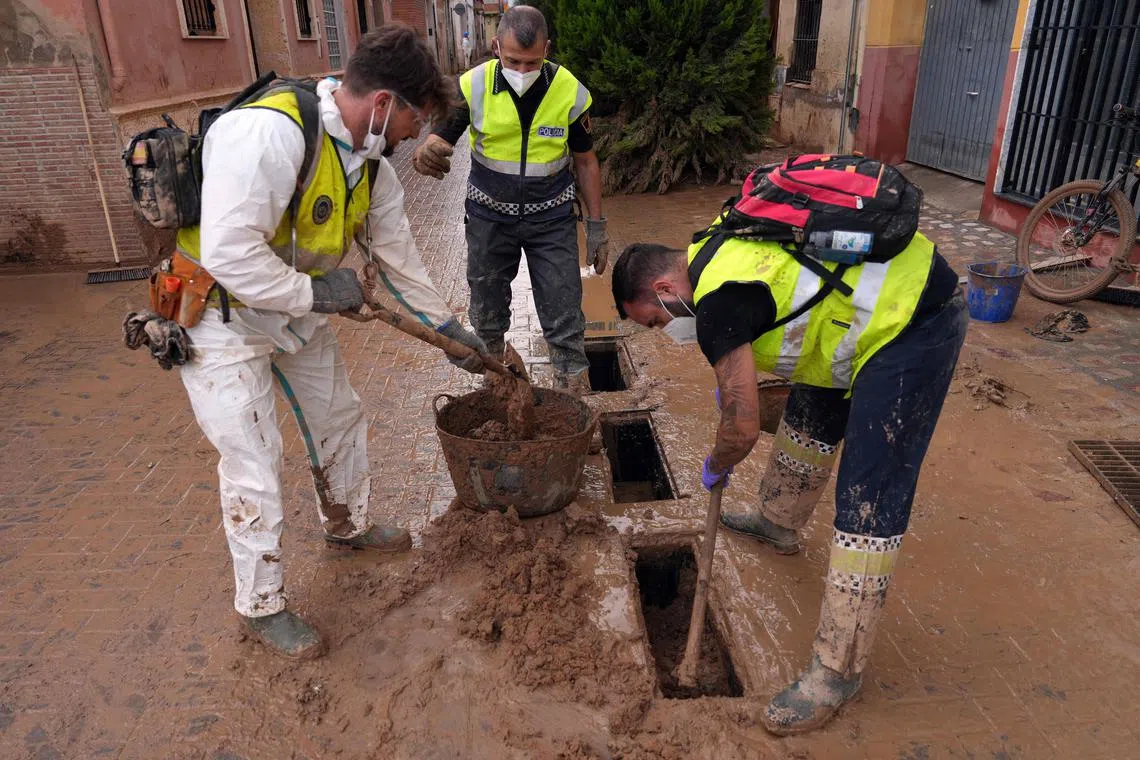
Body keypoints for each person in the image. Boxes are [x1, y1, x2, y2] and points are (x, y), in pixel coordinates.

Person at [174, 24, 487, 659]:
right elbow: (231, 254)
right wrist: (318, 294)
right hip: (220, 314)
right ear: (382, 105)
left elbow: (399, 258)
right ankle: (262, 606)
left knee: (340, 418)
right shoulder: (267, 134)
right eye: (413, 121)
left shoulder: (370, 164)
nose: (412, 137)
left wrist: (449, 331)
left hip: (292, 311)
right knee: (255, 463)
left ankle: (346, 525)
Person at [610, 215, 966, 734]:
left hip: (912, 324)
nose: (664, 332)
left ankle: (837, 671)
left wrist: (717, 461)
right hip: (849, 321)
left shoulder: (717, 303)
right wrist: (735, 380)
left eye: (655, 321)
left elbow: (742, 430)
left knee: (868, 494)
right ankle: (778, 522)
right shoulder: (711, 246)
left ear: (665, 288)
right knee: (809, 414)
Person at [411, 5, 614, 395]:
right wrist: (426, 152)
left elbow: (586, 161)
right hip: (489, 221)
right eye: (513, 60)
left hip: (552, 221)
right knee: (486, 314)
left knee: (564, 313)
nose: (522, 71)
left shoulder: (568, 90)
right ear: (495, 47)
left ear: (547, 50)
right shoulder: (472, 87)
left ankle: (575, 398)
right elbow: (439, 138)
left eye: (532, 62)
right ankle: (494, 392)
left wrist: (597, 225)